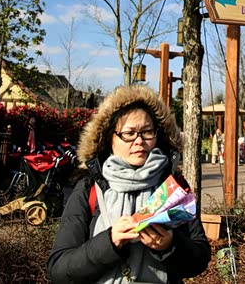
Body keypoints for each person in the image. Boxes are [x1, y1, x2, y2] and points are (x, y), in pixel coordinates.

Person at [48, 85, 211, 284]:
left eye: (147, 132)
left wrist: (170, 245)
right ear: (109, 138)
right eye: (129, 133)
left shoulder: (173, 187)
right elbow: (59, 269)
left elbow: (200, 259)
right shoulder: (89, 188)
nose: (139, 141)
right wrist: (109, 242)